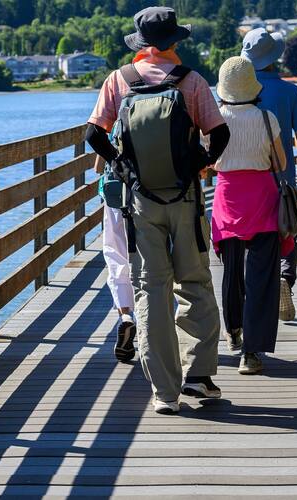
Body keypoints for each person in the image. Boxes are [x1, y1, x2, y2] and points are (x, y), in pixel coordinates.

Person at [86, 6, 230, 415]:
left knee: (151, 289)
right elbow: (221, 133)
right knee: (195, 283)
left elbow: (92, 133)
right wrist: (198, 164)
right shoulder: (192, 82)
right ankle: (199, 375)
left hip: (140, 203)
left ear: (141, 43)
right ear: (174, 42)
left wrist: (121, 164)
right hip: (184, 199)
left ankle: (165, 392)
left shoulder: (120, 80)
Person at [211, 56, 297, 375]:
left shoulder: (215, 119)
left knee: (231, 271)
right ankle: (252, 352)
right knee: (261, 277)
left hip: (228, 198)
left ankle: (233, 329)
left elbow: (206, 161)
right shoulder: (267, 118)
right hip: (262, 198)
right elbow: (280, 163)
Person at [240, 28, 297, 322]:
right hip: (282, 178)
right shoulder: (290, 91)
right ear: (275, 58)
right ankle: (285, 275)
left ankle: (259, 289)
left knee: (253, 236)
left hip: (247, 179)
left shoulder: (239, 92)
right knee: (287, 229)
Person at [95, 154, 139, 363]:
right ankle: (152, 326)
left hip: (115, 194)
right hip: (148, 193)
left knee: (116, 255)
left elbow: (97, 167)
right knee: (150, 256)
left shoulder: (110, 120)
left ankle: (126, 315)